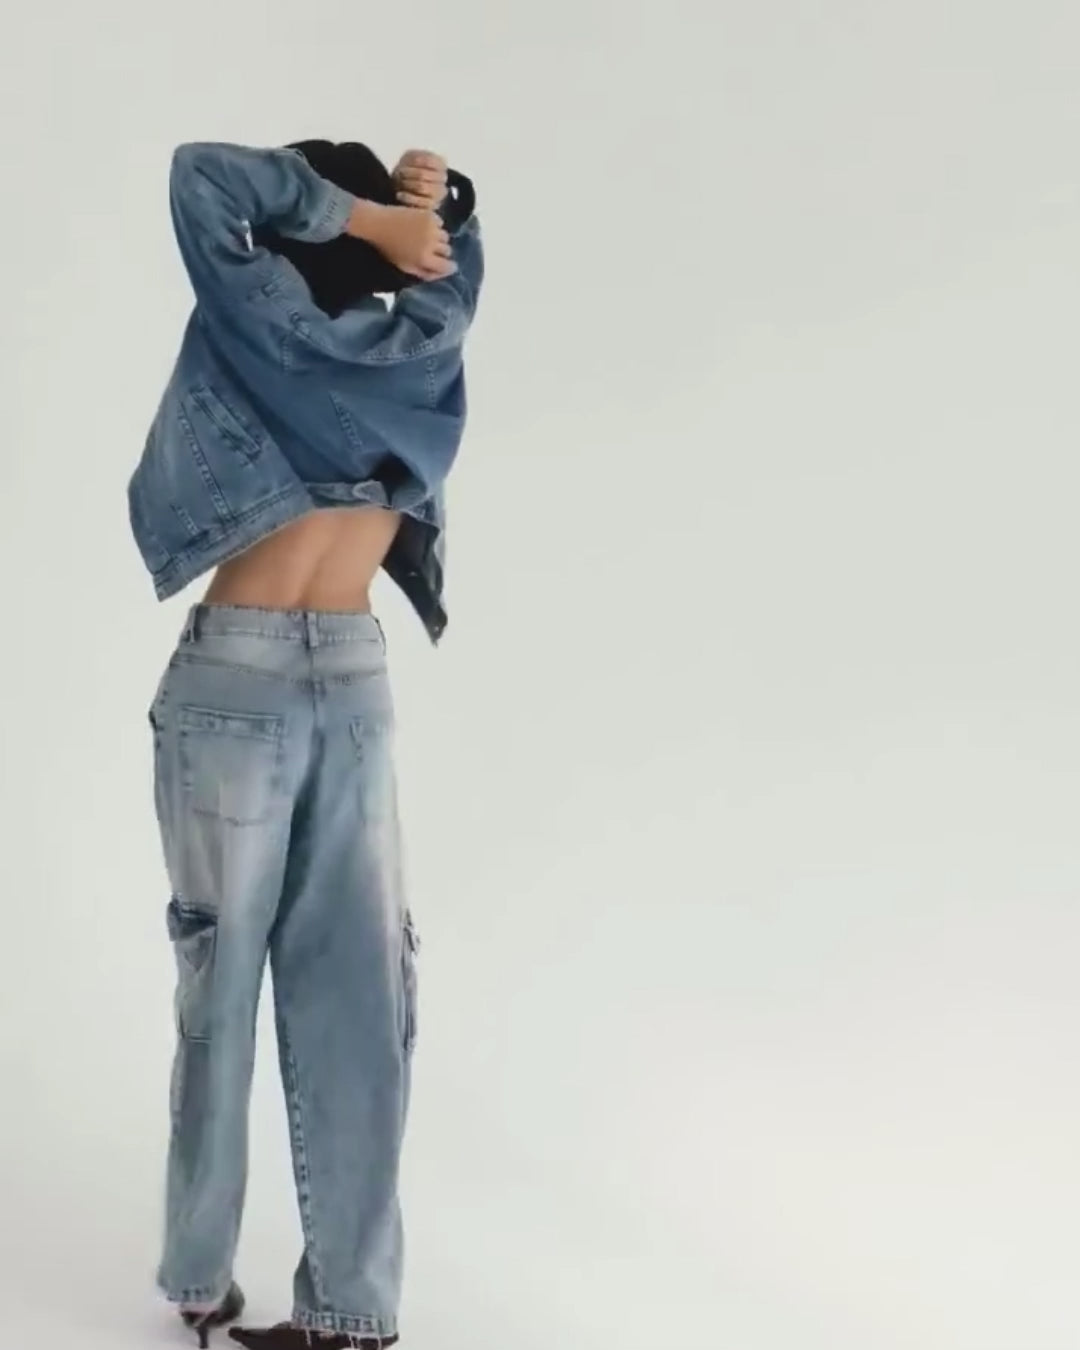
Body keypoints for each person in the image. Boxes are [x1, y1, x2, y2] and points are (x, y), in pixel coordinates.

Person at [128, 138, 484, 1349]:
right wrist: (434, 212)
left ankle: (197, 1280)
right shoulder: (424, 343)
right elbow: (460, 267)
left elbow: (201, 176)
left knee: (218, 978)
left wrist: (363, 216)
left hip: (236, 674)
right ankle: (351, 1313)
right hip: (357, 677)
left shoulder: (257, 319)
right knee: (358, 998)